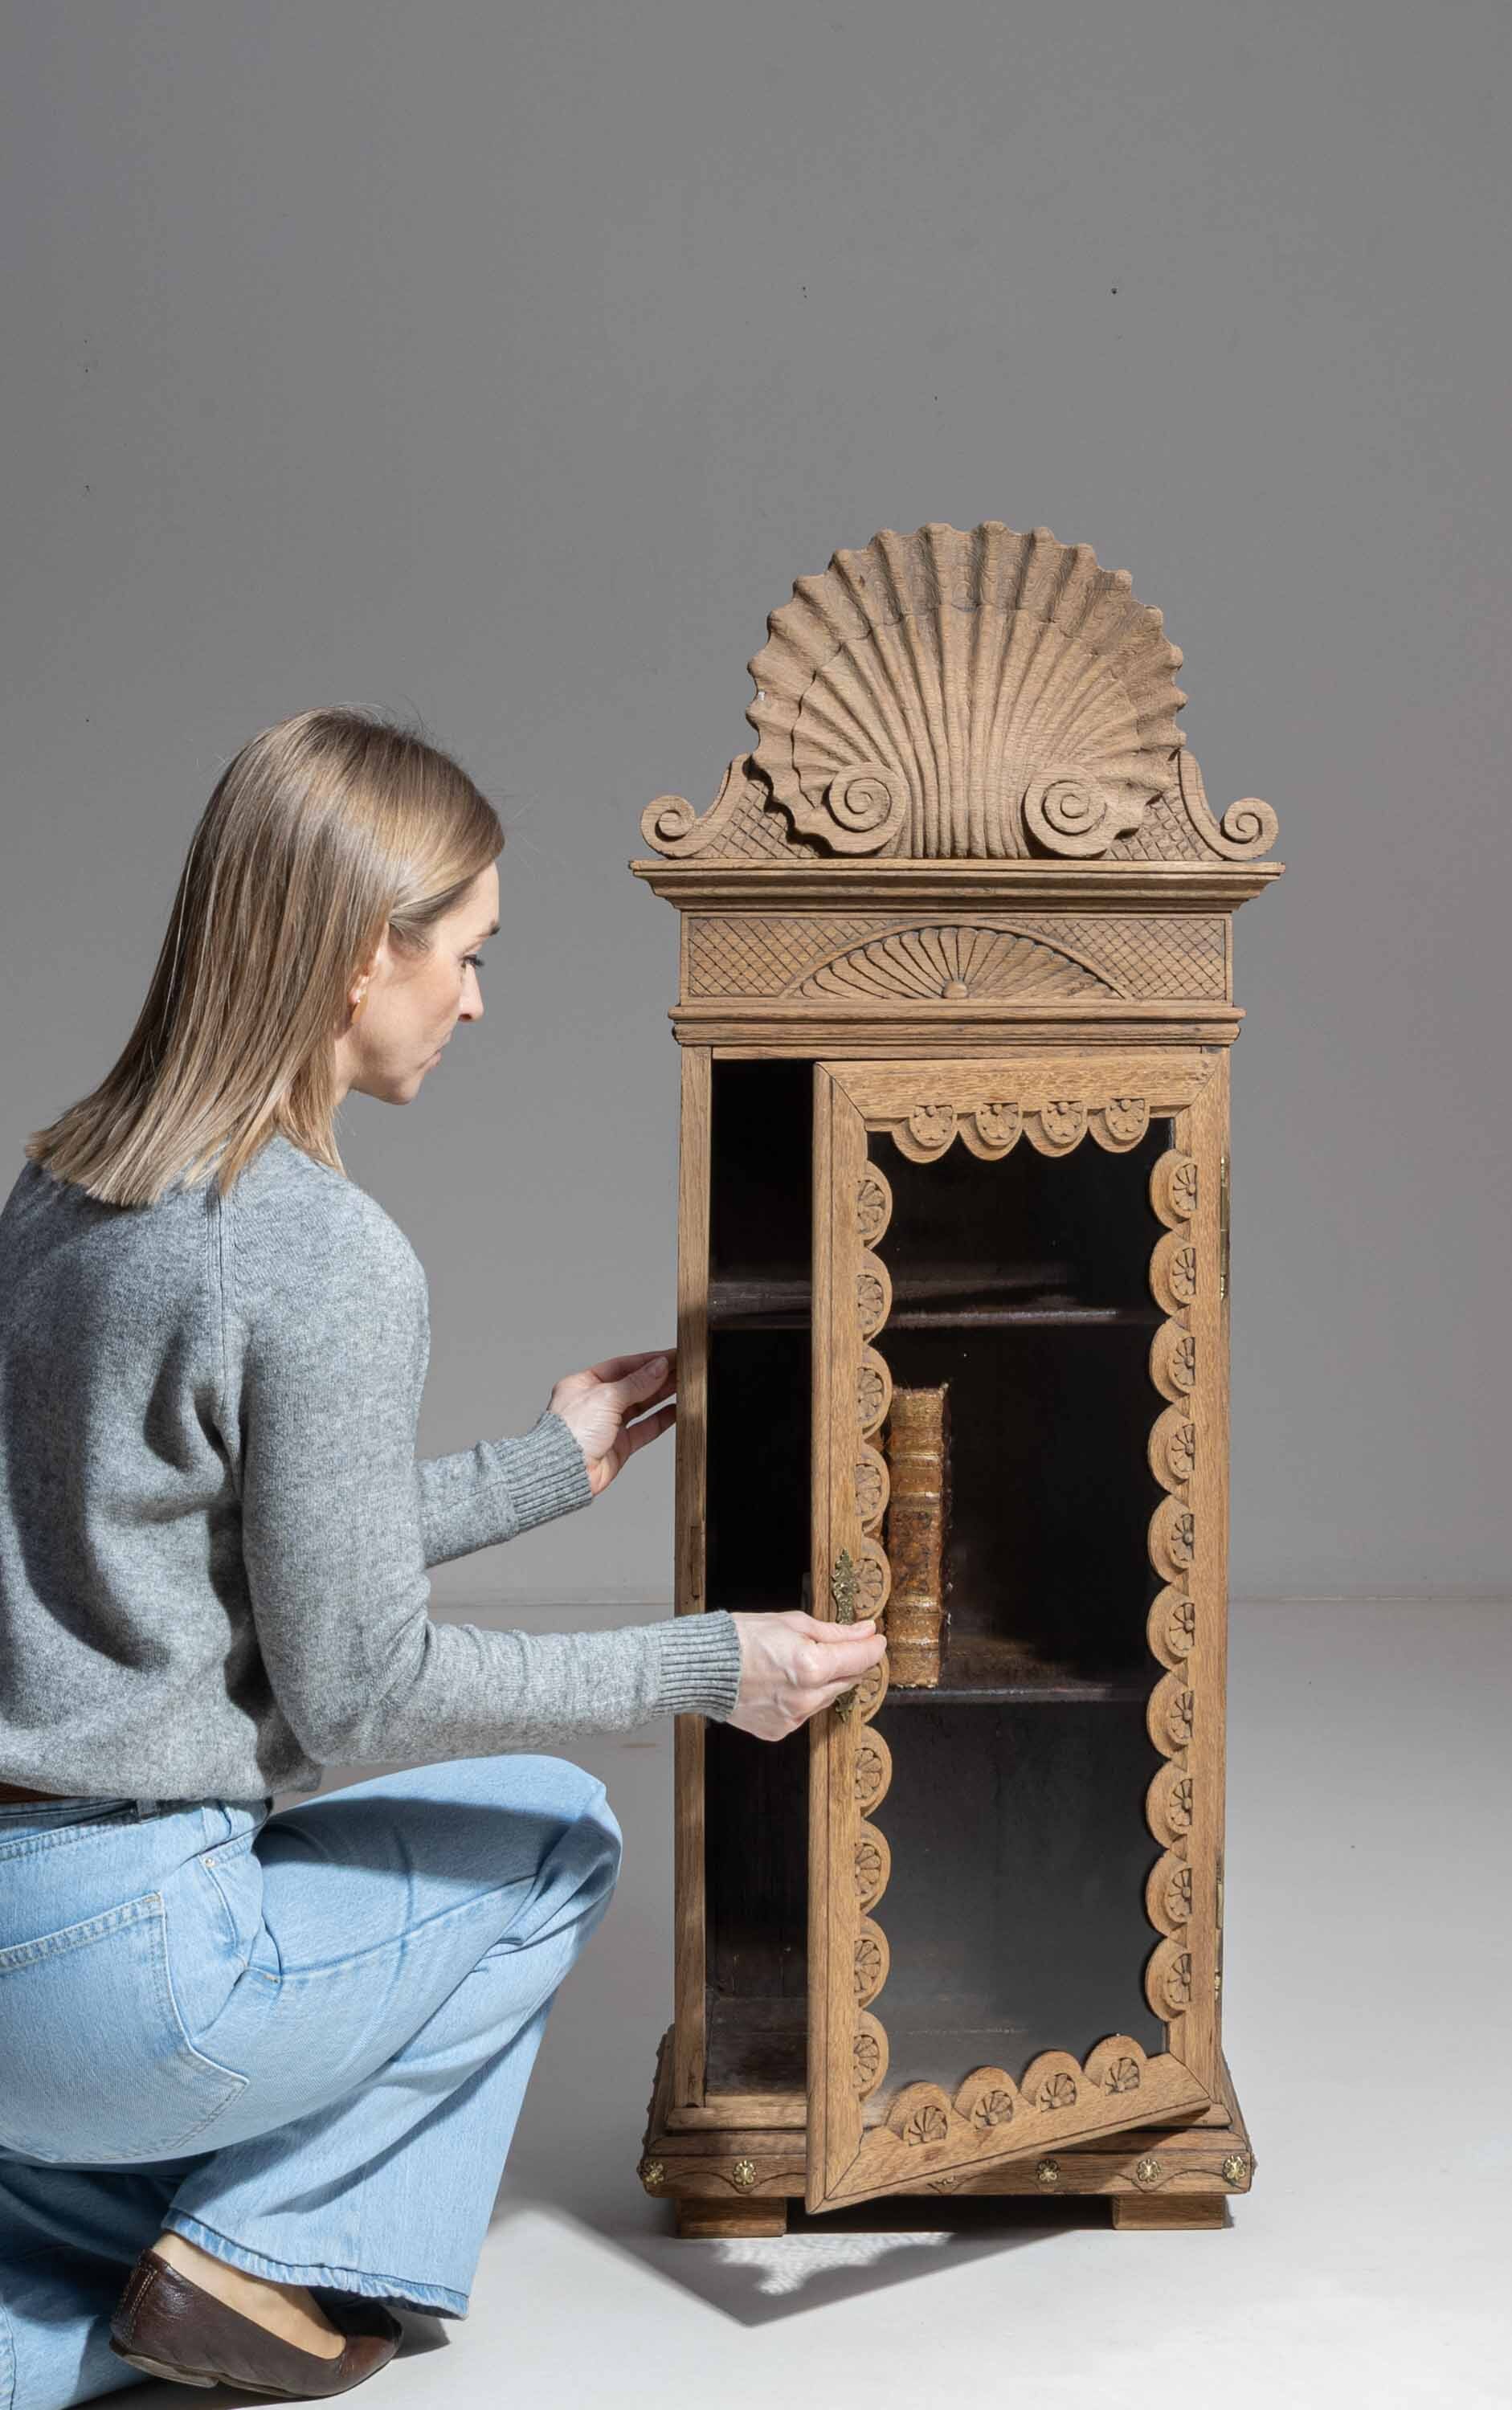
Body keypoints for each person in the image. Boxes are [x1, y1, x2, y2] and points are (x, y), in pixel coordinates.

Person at [0, 708, 886, 2406]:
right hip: (130, 1977)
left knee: (65, 2288)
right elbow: (360, 1690)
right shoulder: (321, 1250)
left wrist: (542, 1471)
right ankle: (253, 2263)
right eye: (467, 954)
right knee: (556, 1831)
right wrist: (710, 1664)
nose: (476, 1001)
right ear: (361, 953)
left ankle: (126, 2286)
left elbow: (193, 1545)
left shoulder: (62, 1189)